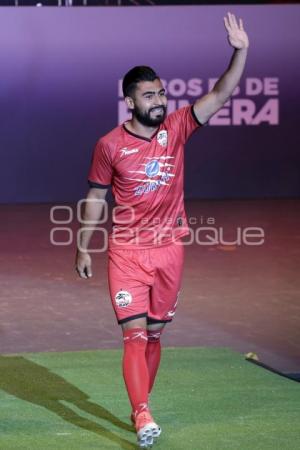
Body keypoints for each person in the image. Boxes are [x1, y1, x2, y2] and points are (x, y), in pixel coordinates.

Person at [76, 12, 249, 448]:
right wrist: (82, 248)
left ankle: (140, 403)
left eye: (162, 92)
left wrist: (240, 50)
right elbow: (96, 197)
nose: (160, 100)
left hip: (170, 250)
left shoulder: (178, 127)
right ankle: (142, 414)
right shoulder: (109, 145)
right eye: (149, 95)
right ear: (131, 102)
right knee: (134, 334)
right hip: (127, 252)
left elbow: (222, 92)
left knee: (155, 334)